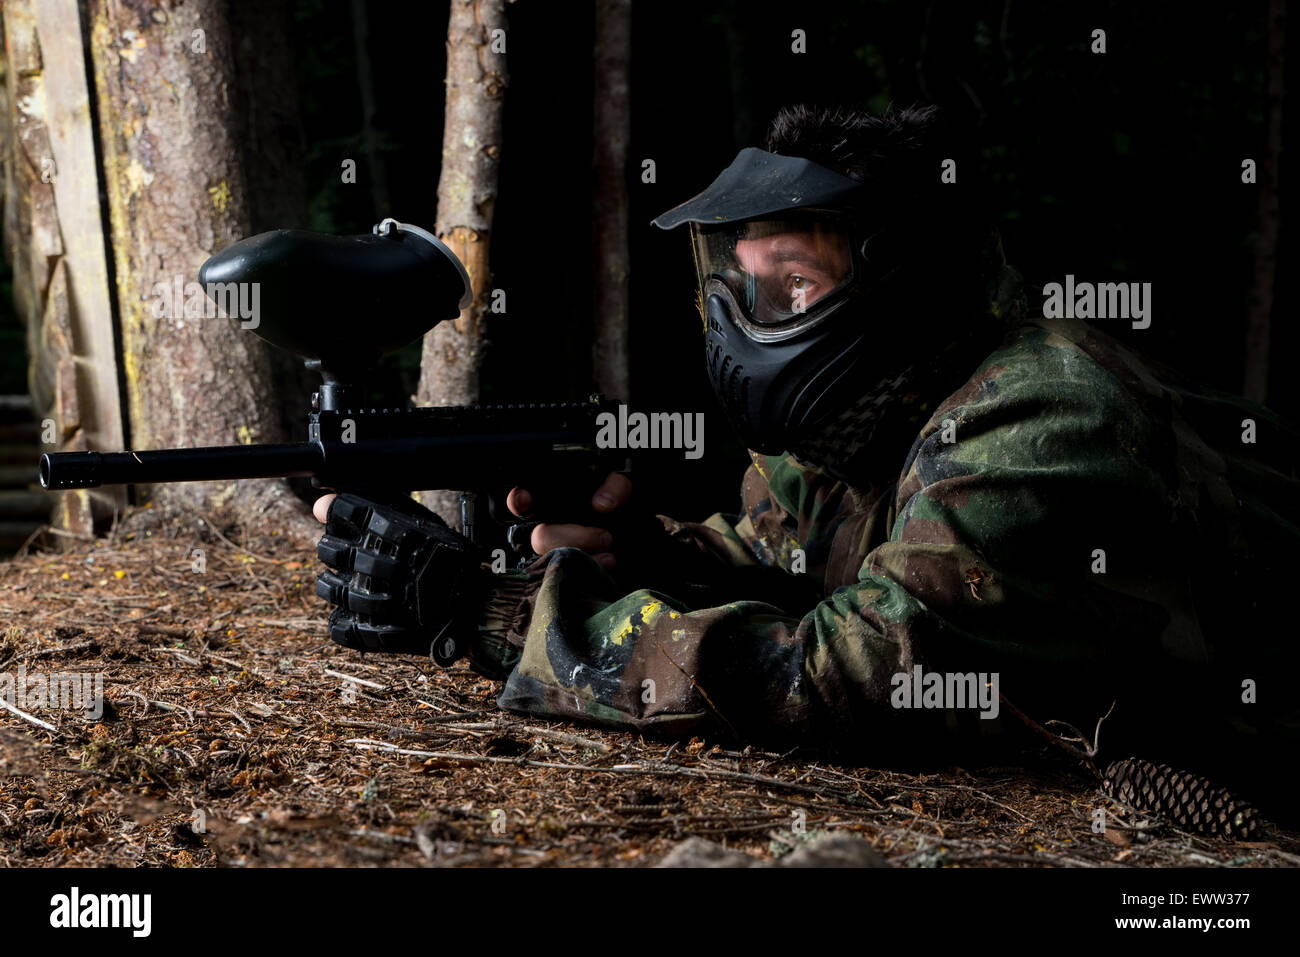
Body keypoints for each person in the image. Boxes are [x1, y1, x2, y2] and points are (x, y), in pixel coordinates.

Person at [312, 105, 1300, 807]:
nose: (748, 322)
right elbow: (781, 564)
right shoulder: (871, 409)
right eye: (740, 287)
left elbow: (851, 674)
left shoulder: (1041, 418)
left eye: (790, 286)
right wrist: (643, 557)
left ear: (901, 284)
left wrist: (496, 616)